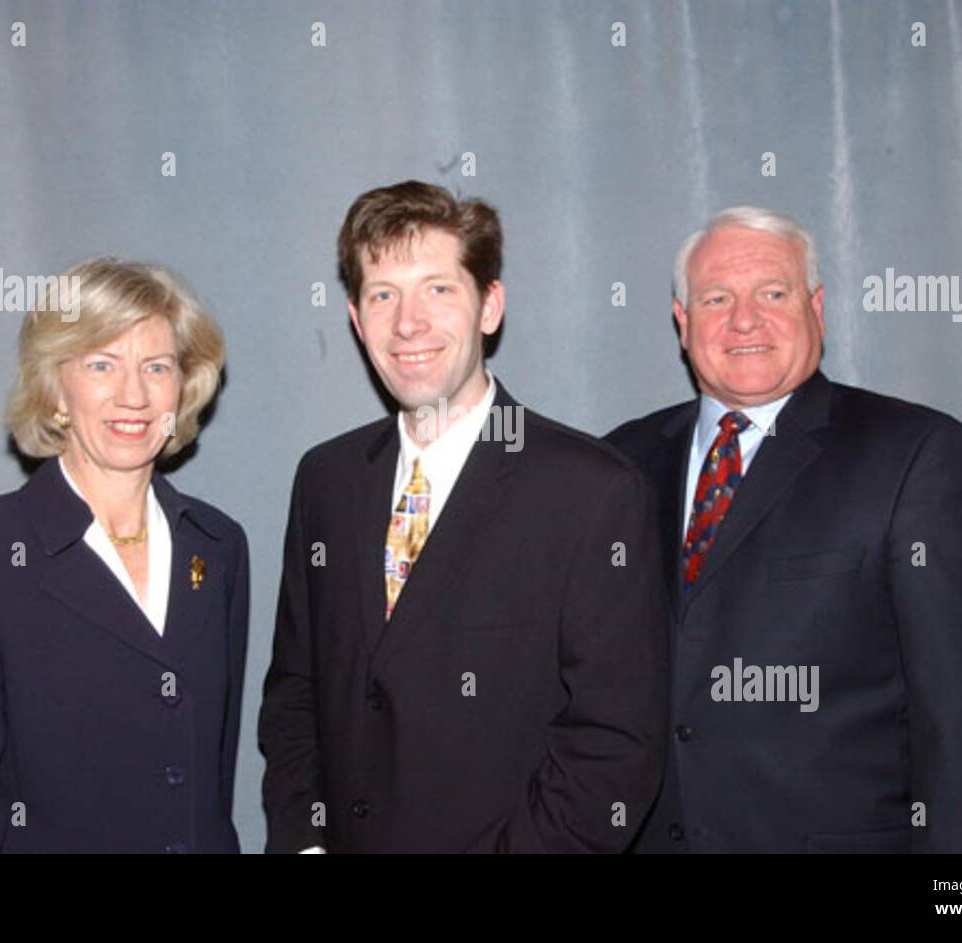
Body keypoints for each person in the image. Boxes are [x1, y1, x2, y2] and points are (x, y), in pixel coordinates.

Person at [605, 207, 962, 852]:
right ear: (683, 321)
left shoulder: (914, 454)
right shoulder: (621, 462)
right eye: (716, 297)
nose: (744, 319)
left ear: (817, 307)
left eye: (772, 293)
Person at [258, 180, 667, 853]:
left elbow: (613, 747)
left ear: (490, 306)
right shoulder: (326, 481)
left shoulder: (592, 491)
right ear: (357, 319)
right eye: (383, 294)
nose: (408, 322)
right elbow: (295, 693)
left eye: (437, 289)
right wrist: (305, 838)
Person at [0, 258, 250, 853]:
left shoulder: (218, 546)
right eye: (102, 364)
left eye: (156, 366)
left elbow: (210, 787)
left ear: (183, 388)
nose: (133, 393)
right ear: (55, 388)